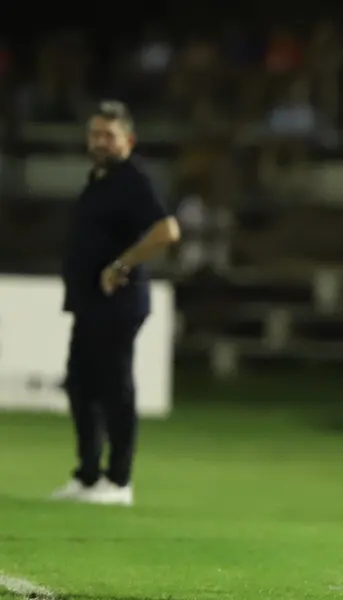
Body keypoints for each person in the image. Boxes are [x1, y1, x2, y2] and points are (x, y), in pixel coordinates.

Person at [50, 101, 180, 506]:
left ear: (129, 140)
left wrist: (122, 264)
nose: (100, 142)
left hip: (117, 302)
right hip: (90, 302)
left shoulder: (132, 179)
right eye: (95, 134)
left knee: (113, 389)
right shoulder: (99, 179)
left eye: (109, 135)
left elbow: (167, 230)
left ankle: (119, 481)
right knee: (81, 385)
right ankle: (88, 476)